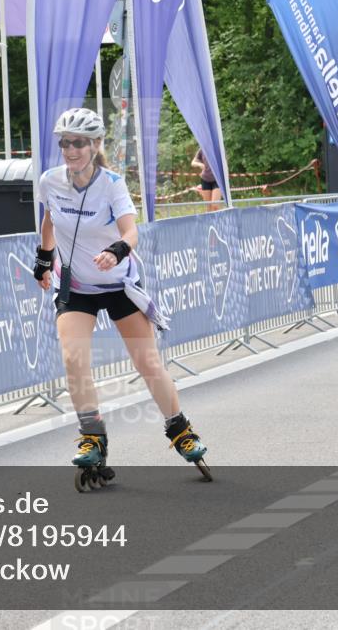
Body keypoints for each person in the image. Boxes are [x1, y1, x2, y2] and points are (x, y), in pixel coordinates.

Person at [33, 108, 211, 490]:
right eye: (65, 142)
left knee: (147, 362)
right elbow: (50, 219)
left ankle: (180, 429)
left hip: (117, 283)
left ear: (95, 145)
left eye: (79, 142)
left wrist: (116, 250)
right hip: (76, 286)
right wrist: (44, 258)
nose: (71, 150)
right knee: (73, 357)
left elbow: (132, 232)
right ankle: (92, 436)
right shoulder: (50, 181)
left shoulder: (112, 184)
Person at [191, 146, 222, 212]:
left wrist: (226, 178)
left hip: (217, 180)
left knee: (215, 205)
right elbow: (193, 163)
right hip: (205, 179)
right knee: (208, 207)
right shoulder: (202, 149)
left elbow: (225, 163)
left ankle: (220, 221)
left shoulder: (218, 147)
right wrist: (199, 164)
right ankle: (210, 222)